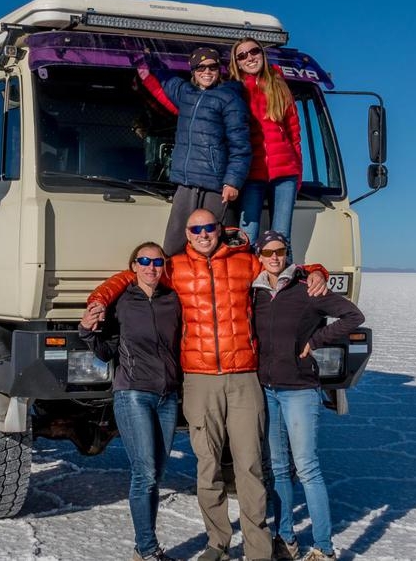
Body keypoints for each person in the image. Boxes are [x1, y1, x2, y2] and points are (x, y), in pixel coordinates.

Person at [87, 210, 328, 561]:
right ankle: (218, 544)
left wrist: (318, 272)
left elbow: (283, 269)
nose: (203, 233)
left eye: (209, 227)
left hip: (244, 374)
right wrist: (99, 298)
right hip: (199, 379)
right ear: (187, 233)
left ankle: (259, 548)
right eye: (196, 228)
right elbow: (131, 275)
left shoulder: (246, 262)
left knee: (249, 466)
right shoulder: (175, 267)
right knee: (208, 466)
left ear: (219, 230)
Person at [250, 231, 365, 561]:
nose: (275, 257)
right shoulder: (255, 292)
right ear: (259, 257)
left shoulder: (307, 289)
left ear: (288, 253)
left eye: (281, 251)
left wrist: (316, 341)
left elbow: (353, 316)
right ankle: (285, 538)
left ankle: (324, 548)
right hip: (268, 389)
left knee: (308, 467)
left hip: (299, 390)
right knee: (278, 468)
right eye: (268, 252)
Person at [79, 242, 182, 561]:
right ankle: (147, 549)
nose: (152, 267)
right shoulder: (122, 301)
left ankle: (146, 548)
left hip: (167, 396)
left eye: (157, 261)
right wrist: (87, 331)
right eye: (145, 261)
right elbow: (107, 349)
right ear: (133, 266)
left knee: (157, 473)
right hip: (133, 392)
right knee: (145, 471)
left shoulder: (172, 300)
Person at [136, 47, 251, 255]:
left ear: (219, 70)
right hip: (186, 184)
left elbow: (240, 146)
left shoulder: (230, 99)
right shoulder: (185, 94)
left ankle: (214, 287)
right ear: (193, 71)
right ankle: (175, 287)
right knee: (174, 245)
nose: (207, 72)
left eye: (213, 67)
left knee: (214, 248)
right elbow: (166, 79)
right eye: (201, 67)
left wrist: (233, 181)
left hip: (216, 187)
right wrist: (147, 57)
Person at [228, 38, 303, 262]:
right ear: (237, 63)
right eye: (242, 55)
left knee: (282, 236)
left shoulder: (279, 86)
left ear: (262, 54)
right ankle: (248, 286)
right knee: (247, 235)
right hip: (252, 173)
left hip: (285, 173)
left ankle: (284, 290)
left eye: (254, 51)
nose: (249, 58)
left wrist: (297, 175)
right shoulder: (235, 90)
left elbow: (294, 134)